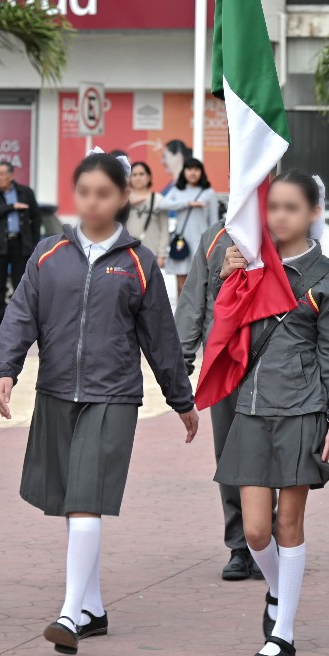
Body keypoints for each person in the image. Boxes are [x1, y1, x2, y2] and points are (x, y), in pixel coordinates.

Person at [0, 152, 199, 656]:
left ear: (123, 197)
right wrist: (4, 369)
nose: (93, 202)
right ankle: (94, 607)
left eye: (104, 193)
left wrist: (181, 398)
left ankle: (68, 613)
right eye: (84, 192)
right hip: (56, 393)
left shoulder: (139, 263)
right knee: (72, 504)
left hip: (113, 397)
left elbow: (162, 341)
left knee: (85, 500)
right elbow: (20, 315)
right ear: (74, 195)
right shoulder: (46, 254)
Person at [214, 170, 329, 656]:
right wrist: (230, 277)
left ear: (312, 213)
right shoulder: (252, 266)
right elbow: (227, 328)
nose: (278, 217)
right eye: (272, 207)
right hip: (251, 408)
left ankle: (284, 633)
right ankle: (280, 592)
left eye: (290, 208)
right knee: (255, 532)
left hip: (303, 410)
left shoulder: (328, 276)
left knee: (287, 523)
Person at [175, 219, 271, 581]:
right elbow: (192, 303)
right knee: (230, 454)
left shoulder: (287, 229)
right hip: (226, 362)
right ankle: (240, 545)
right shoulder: (215, 237)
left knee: (271, 453)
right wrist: (179, 367)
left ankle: (272, 539)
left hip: (275, 363)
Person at [0, 161, 42, 336]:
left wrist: (34, 243)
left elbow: (36, 218)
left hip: (20, 244)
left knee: (21, 284)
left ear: (11, 175)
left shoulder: (25, 193)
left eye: (1, 174)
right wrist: (11, 207)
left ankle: (21, 322)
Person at [164, 158, 220, 296]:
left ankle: (195, 317)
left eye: (196, 169)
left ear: (201, 172)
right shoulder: (177, 190)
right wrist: (188, 203)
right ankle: (180, 317)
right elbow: (163, 204)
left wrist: (212, 245)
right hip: (181, 243)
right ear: (184, 172)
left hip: (201, 243)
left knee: (199, 286)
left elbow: (214, 221)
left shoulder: (208, 193)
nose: (192, 173)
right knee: (181, 285)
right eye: (189, 169)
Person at [125, 161, 170, 267]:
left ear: (149, 177)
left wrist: (161, 255)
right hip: (126, 253)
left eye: (141, 174)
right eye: (134, 175)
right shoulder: (123, 198)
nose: (138, 178)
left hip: (151, 253)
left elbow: (164, 229)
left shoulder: (158, 199)